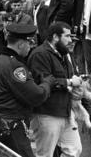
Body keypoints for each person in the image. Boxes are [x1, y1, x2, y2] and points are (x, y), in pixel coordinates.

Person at [0, 23, 55, 157]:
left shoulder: (0, 60)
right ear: (20, 44)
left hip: (4, 121)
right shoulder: (15, 66)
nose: (30, 46)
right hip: (12, 124)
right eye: (29, 42)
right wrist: (47, 83)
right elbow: (36, 95)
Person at [27, 21, 82, 157]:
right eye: (67, 36)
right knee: (45, 154)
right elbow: (44, 81)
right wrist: (69, 82)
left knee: (74, 150)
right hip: (46, 113)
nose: (71, 40)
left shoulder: (65, 54)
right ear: (55, 37)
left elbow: (73, 77)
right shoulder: (40, 54)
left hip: (66, 112)